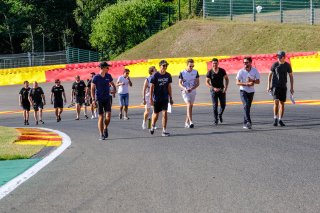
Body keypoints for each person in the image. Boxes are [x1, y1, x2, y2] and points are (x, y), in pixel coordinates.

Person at [267, 51, 294, 127]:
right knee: (276, 102)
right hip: (275, 86)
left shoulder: (287, 65)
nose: (278, 58)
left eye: (279, 56)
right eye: (277, 56)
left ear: (283, 57)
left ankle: (280, 120)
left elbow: (291, 76)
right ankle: (275, 118)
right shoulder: (275, 64)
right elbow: (269, 75)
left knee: (282, 104)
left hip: (283, 86)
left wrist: (292, 87)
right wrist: (268, 86)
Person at [91, 62, 116, 140]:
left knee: (108, 116)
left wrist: (114, 90)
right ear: (103, 68)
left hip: (107, 98)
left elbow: (113, 85)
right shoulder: (96, 77)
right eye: (107, 67)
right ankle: (101, 134)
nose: (108, 69)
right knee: (101, 117)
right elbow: (92, 89)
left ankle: (105, 128)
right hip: (99, 99)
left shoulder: (108, 76)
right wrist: (93, 100)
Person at [149, 60, 174, 136]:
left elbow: (169, 87)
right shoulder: (155, 75)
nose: (165, 67)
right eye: (163, 65)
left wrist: (171, 97)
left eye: (166, 66)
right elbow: (151, 87)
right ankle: (152, 125)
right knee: (156, 115)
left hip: (165, 97)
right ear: (160, 66)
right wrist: (150, 98)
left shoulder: (168, 75)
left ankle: (164, 131)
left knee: (165, 113)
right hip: (157, 98)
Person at [236, 57, 260, 129]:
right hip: (243, 91)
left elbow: (258, 81)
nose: (245, 64)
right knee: (246, 105)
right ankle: (249, 121)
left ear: (250, 62)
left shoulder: (255, 70)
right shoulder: (241, 71)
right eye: (244, 62)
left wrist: (252, 81)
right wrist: (246, 84)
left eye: (246, 62)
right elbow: (237, 82)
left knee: (247, 107)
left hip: (251, 91)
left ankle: (245, 123)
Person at [205, 58, 229, 125]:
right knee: (215, 106)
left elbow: (227, 79)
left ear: (218, 63)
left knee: (223, 105)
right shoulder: (210, 72)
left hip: (221, 90)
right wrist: (212, 88)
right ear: (212, 64)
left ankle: (220, 114)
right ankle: (216, 119)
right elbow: (207, 82)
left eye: (216, 63)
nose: (214, 64)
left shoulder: (222, 71)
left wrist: (225, 88)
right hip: (214, 91)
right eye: (213, 63)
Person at [178, 59, 200, 128]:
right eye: (190, 66)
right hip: (185, 91)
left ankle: (186, 122)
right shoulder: (182, 72)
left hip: (192, 91)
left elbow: (198, 83)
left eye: (193, 66)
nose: (191, 67)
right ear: (187, 65)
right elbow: (179, 83)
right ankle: (191, 122)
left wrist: (192, 88)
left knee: (190, 107)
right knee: (189, 104)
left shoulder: (195, 72)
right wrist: (185, 89)